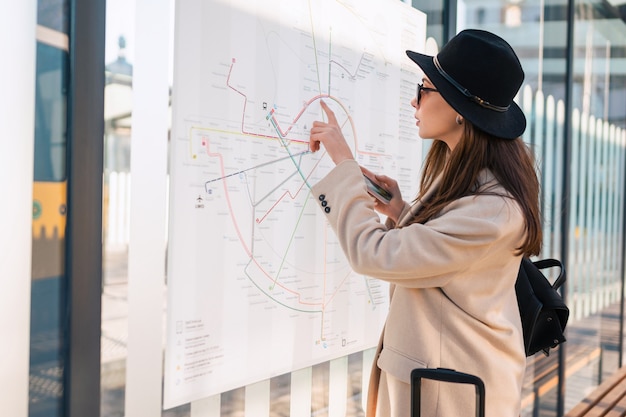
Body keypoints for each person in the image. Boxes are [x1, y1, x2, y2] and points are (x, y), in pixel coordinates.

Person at [308, 29, 541, 417]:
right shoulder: (474, 182)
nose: (413, 99)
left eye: (425, 88)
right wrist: (400, 211)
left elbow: (372, 254)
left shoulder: (494, 209)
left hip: (448, 395)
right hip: (442, 381)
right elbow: (449, 256)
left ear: (458, 109)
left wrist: (345, 166)